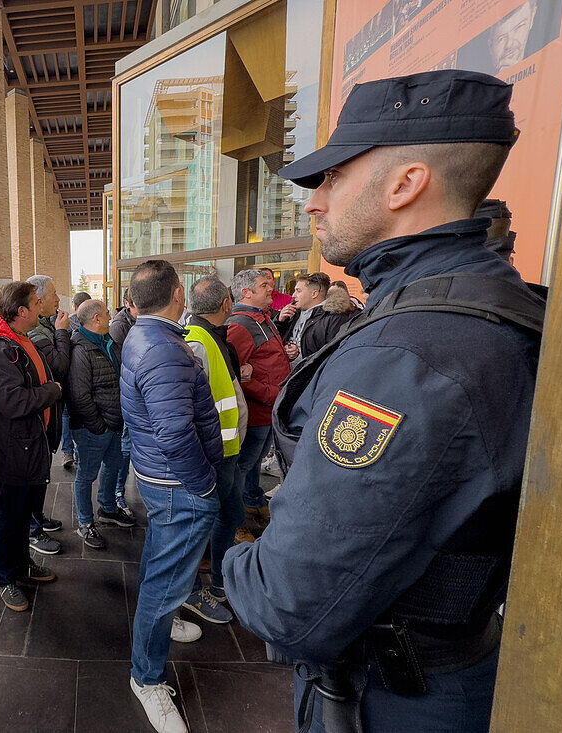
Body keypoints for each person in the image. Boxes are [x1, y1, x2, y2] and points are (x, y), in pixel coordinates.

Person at [223, 69, 542, 733]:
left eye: (335, 176)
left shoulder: (407, 351)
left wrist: (234, 556)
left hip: (394, 694)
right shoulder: (484, 304)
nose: (316, 202)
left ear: (405, 183)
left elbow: (289, 604)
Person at [121, 260, 222, 733]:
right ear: (178, 294)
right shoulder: (162, 347)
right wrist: (203, 485)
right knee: (166, 582)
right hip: (177, 483)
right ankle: (147, 678)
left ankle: (161, 624)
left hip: (162, 477)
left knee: (162, 566)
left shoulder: (147, 334)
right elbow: (176, 433)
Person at [0, 281, 63, 612]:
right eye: (36, 301)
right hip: (14, 449)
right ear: (21, 311)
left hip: (27, 446)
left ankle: (22, 567)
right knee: (10, 516)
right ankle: (5, 578)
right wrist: (52, 391)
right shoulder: (1, 350)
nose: (41, 305)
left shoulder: (19, 339)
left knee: (22, 513)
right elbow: (13, 402)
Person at [181, 276, 252, 626]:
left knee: (230, 513)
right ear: (226, 305)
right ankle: (194, 590)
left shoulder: (213, 338)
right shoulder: (196, 341)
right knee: (203, 522)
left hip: (226, 449)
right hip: (215, 453)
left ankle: (221, 580)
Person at [224, 270, 292, 532]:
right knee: (241, 469)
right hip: (256, 412)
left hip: (267, 409)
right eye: (264, 285)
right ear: (245, 292)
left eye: (271, 285)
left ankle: (251, 501)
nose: (271, 290)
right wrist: (270, 392)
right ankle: (234, 523)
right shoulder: (241, 323)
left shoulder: (262, 318)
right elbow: (235, 372)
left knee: (252, 465)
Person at [66, 299, 134, 550]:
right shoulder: (81, 350)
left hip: (113, 424)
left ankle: (106, 508)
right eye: (106, 314)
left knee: (113, 466)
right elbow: (79, 395)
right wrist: (99, 426)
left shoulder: (108, 343)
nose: (110, 317)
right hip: (93, 429)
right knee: (86, 475)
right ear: (95, 318)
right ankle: (85, 522)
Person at [25, 274, 71, 553]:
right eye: (54, 294)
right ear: (38, 301)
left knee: (41, 474)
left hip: (47, 412)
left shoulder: (43, 326)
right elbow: (60, 365)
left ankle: (37, 519)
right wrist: (62, 331)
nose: (58, 299)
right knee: (34, 476)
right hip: (38, 414)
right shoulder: (37, 331)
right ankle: (33, 530)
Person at [109, 287, 139, 518]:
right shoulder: (120, 326)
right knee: (124, 448)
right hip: (128, 395)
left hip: (133, 394)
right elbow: (123, 365)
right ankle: (117, 493)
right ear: (128, 303)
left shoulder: (136, 322)